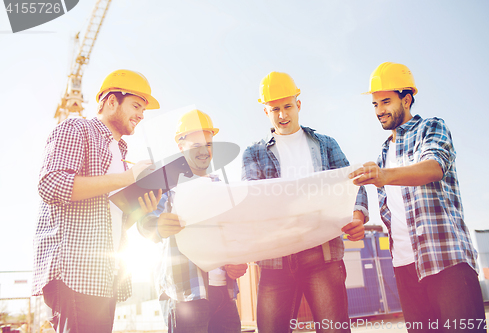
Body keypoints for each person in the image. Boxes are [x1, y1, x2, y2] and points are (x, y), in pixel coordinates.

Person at [350, 62, 486, 332]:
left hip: (445, 260)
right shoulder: (382, 154)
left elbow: (434, 167)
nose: (379, 111)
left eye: (386, 102)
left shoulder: (431, 128)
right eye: (375, 104)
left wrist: (385, 176)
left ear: (407, 99)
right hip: (405, 268)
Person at [33, 69, 161, 332]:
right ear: (111, 101)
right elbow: (51, 185)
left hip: (105, 276)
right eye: (136, 105)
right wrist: (127, 179)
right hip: (75, 272)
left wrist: (137, 211)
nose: (141, 115)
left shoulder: (120, 153)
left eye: (143, 110)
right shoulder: (76, 128)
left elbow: (107, 221)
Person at [241, 71, 369, 333]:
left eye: (287, 106)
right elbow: (250, 203)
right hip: (275, 259)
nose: (282, 115)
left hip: (321, 255)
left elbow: (352, 182)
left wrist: (357, 215)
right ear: (265, 112)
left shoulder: (326, 145)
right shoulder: (253, 153)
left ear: (298, 105)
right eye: (274, 109)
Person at [137, 109, 248, 333]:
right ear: (180, 147)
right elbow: (144, 223)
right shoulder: (166, 184)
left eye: (208, 144)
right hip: (185, 295)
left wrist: (238, 261)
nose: (204, 150)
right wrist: (158, 226)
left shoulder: (221, 188)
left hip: (224, 295)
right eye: (196, 144)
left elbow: (233, 234)